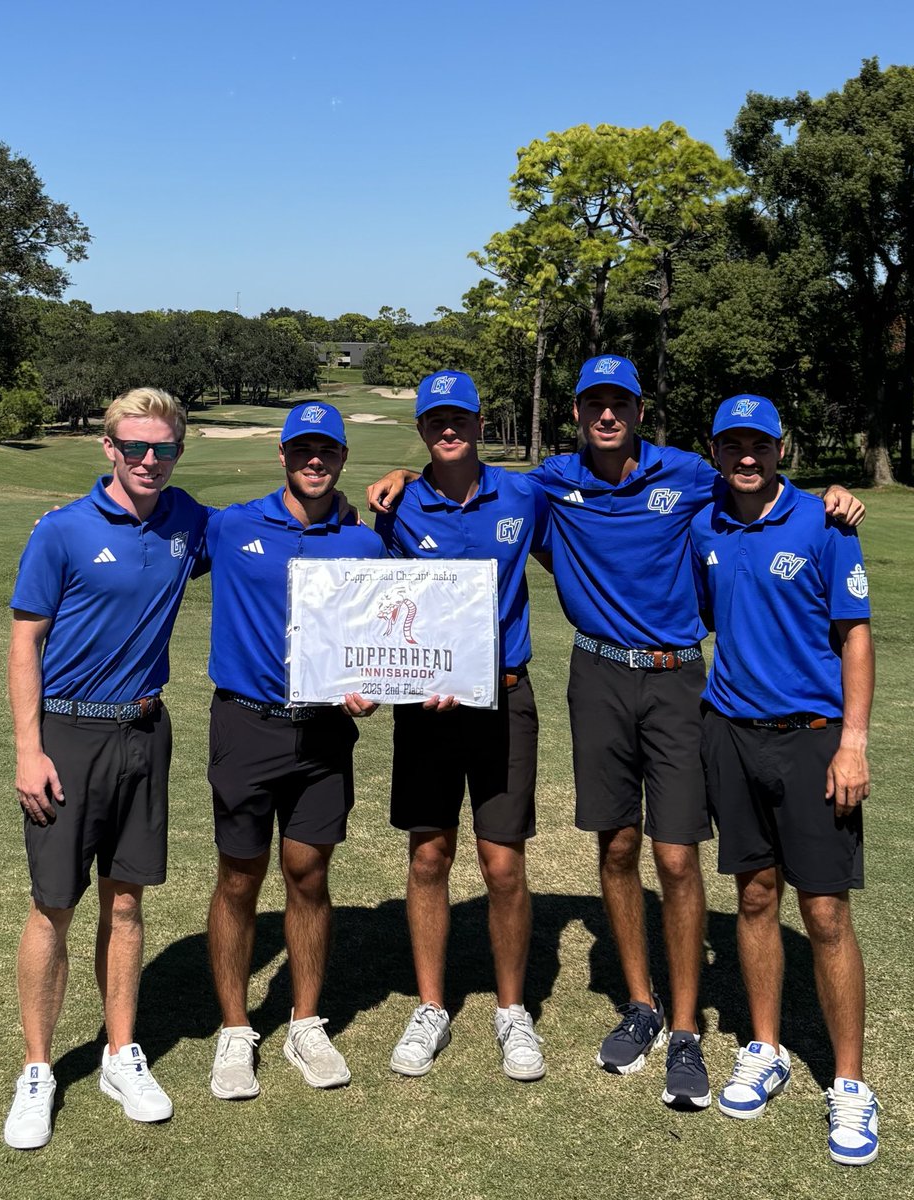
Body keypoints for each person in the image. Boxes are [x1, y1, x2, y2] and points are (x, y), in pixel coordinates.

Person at [368, 355, 863, 1110]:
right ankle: (642, 1004)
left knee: (676, 853)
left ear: (639, 410)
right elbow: (462, 468)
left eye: (619, 403)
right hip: (597, 673)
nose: (607, 415)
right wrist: (403, 472)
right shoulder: (549, 482)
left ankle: (689, 1027)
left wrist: (831, 496)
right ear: (574, 413)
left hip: (675, 677)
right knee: (618, 844)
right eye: (593, 403)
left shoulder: (694, 472)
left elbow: (759, 479)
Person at [4, 387, 209, 1150]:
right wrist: (29, 750)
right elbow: (26, 643)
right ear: (109, 448)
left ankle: (123, 1053)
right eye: (136, 447)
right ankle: (37, 1070)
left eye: (164, 448)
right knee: (52, 905)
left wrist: (372, 502)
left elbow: (272, 534)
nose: (150, 460)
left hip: (145, 731)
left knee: (125, 904)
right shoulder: (60, 531)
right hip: (67, 733)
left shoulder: (190, 520)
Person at [691, 395, 878, 1165]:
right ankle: (763, 1049)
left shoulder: (825, 522)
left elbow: (855, 637)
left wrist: (854, 743)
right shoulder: (704, 523)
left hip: (812, 740)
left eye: (757, 444)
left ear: (778, 448)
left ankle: (850, 1087)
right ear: (717, 450)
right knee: (754, 894)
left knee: (825, 912)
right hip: (730, 736)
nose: (745, 457)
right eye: (732, 444)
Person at [373, 371, 551, 1082]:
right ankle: (431, 1005)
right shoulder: (396, 506)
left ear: (481, 422)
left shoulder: (524, 495)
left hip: (505, 696)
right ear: (421, 430)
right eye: (434, 421)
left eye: (459, 418)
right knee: (428, 857)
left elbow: (576, 546)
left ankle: (512, 1011)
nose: (448, 429)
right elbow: (370, 604)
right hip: (424, 708)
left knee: (502, 864)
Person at [205, 402, 385, 1100]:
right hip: (245, 723)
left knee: (308, 872)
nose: (316, 461)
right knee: (239, 878)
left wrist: (371, 683)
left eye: (328, 451)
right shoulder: (229, 525)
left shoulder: (366, 544)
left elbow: (388, 635)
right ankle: (233, 1028)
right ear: (282, 455)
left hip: (323, 733)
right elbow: (149, 530)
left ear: (342, 458)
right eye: (303, 449)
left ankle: (305, 1022)